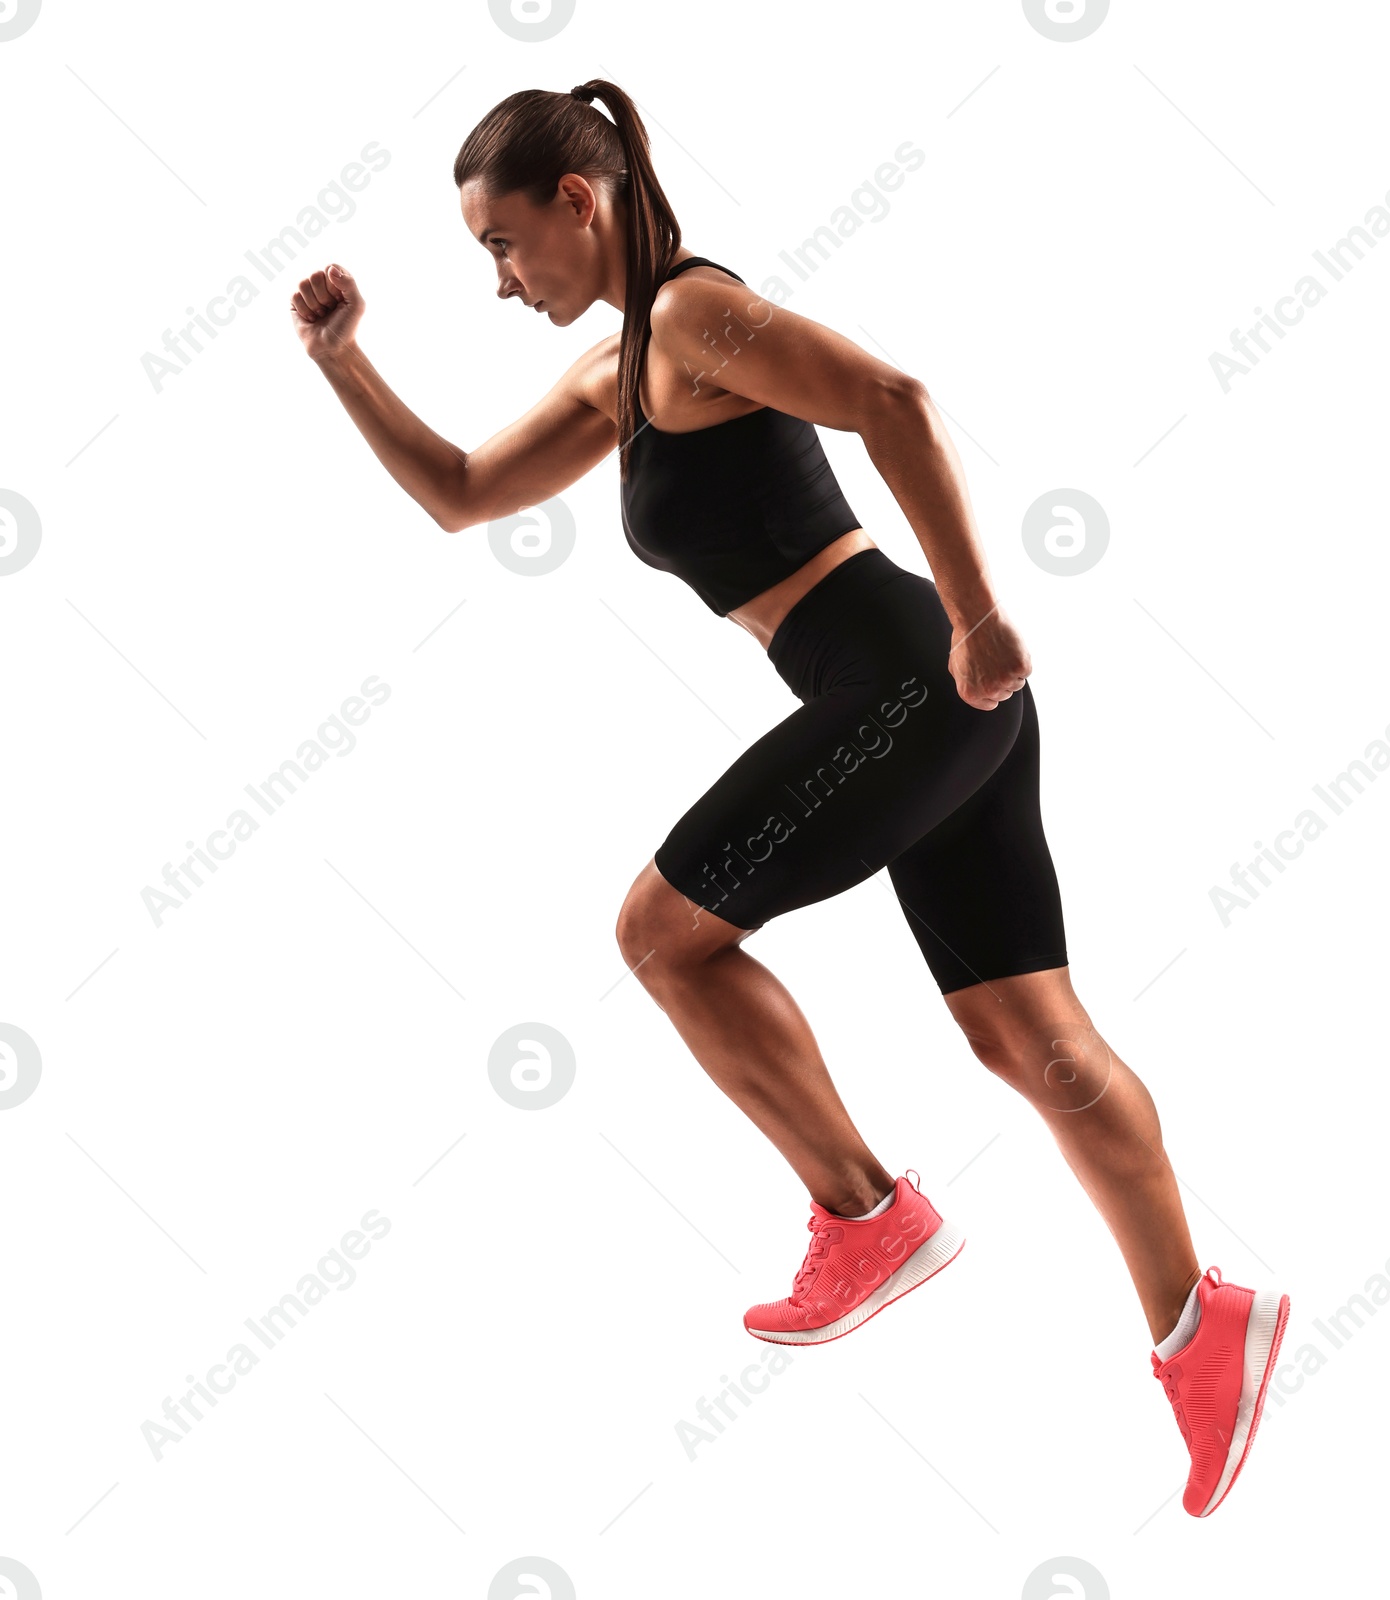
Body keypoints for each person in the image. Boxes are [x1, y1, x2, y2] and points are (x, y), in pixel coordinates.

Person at [289, 77, 1289, 1518]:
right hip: (920, 697)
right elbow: (456, 490)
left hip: (908, 672)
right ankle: (1204, 1329)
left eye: (505, 246)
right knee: (1028, 1034)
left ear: (582, 202)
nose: (501, 284)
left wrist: (977, 614)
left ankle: (866, 1215)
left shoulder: (696, 317)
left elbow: (894, 400)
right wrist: (343, 361)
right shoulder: (617, 371)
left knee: (658, 933)